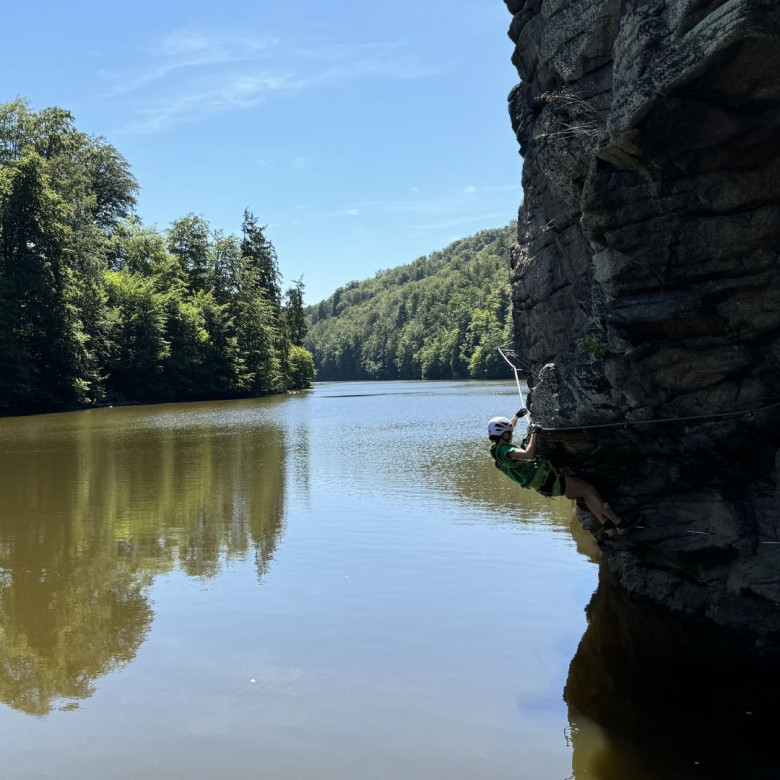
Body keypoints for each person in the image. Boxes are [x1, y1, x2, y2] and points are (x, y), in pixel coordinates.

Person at [488, 410, 633, 536]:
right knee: (589, 491)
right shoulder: (506, 451)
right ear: (504, 435)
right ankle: (620, 524)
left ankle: (608, 528)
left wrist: (516, 417)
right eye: (509, 432)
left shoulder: (497, 451)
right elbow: (528, 454)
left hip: (546, 483)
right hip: (550, 480)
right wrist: (534, 434)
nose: (511, 434)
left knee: (584, 492)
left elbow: (507, 430)